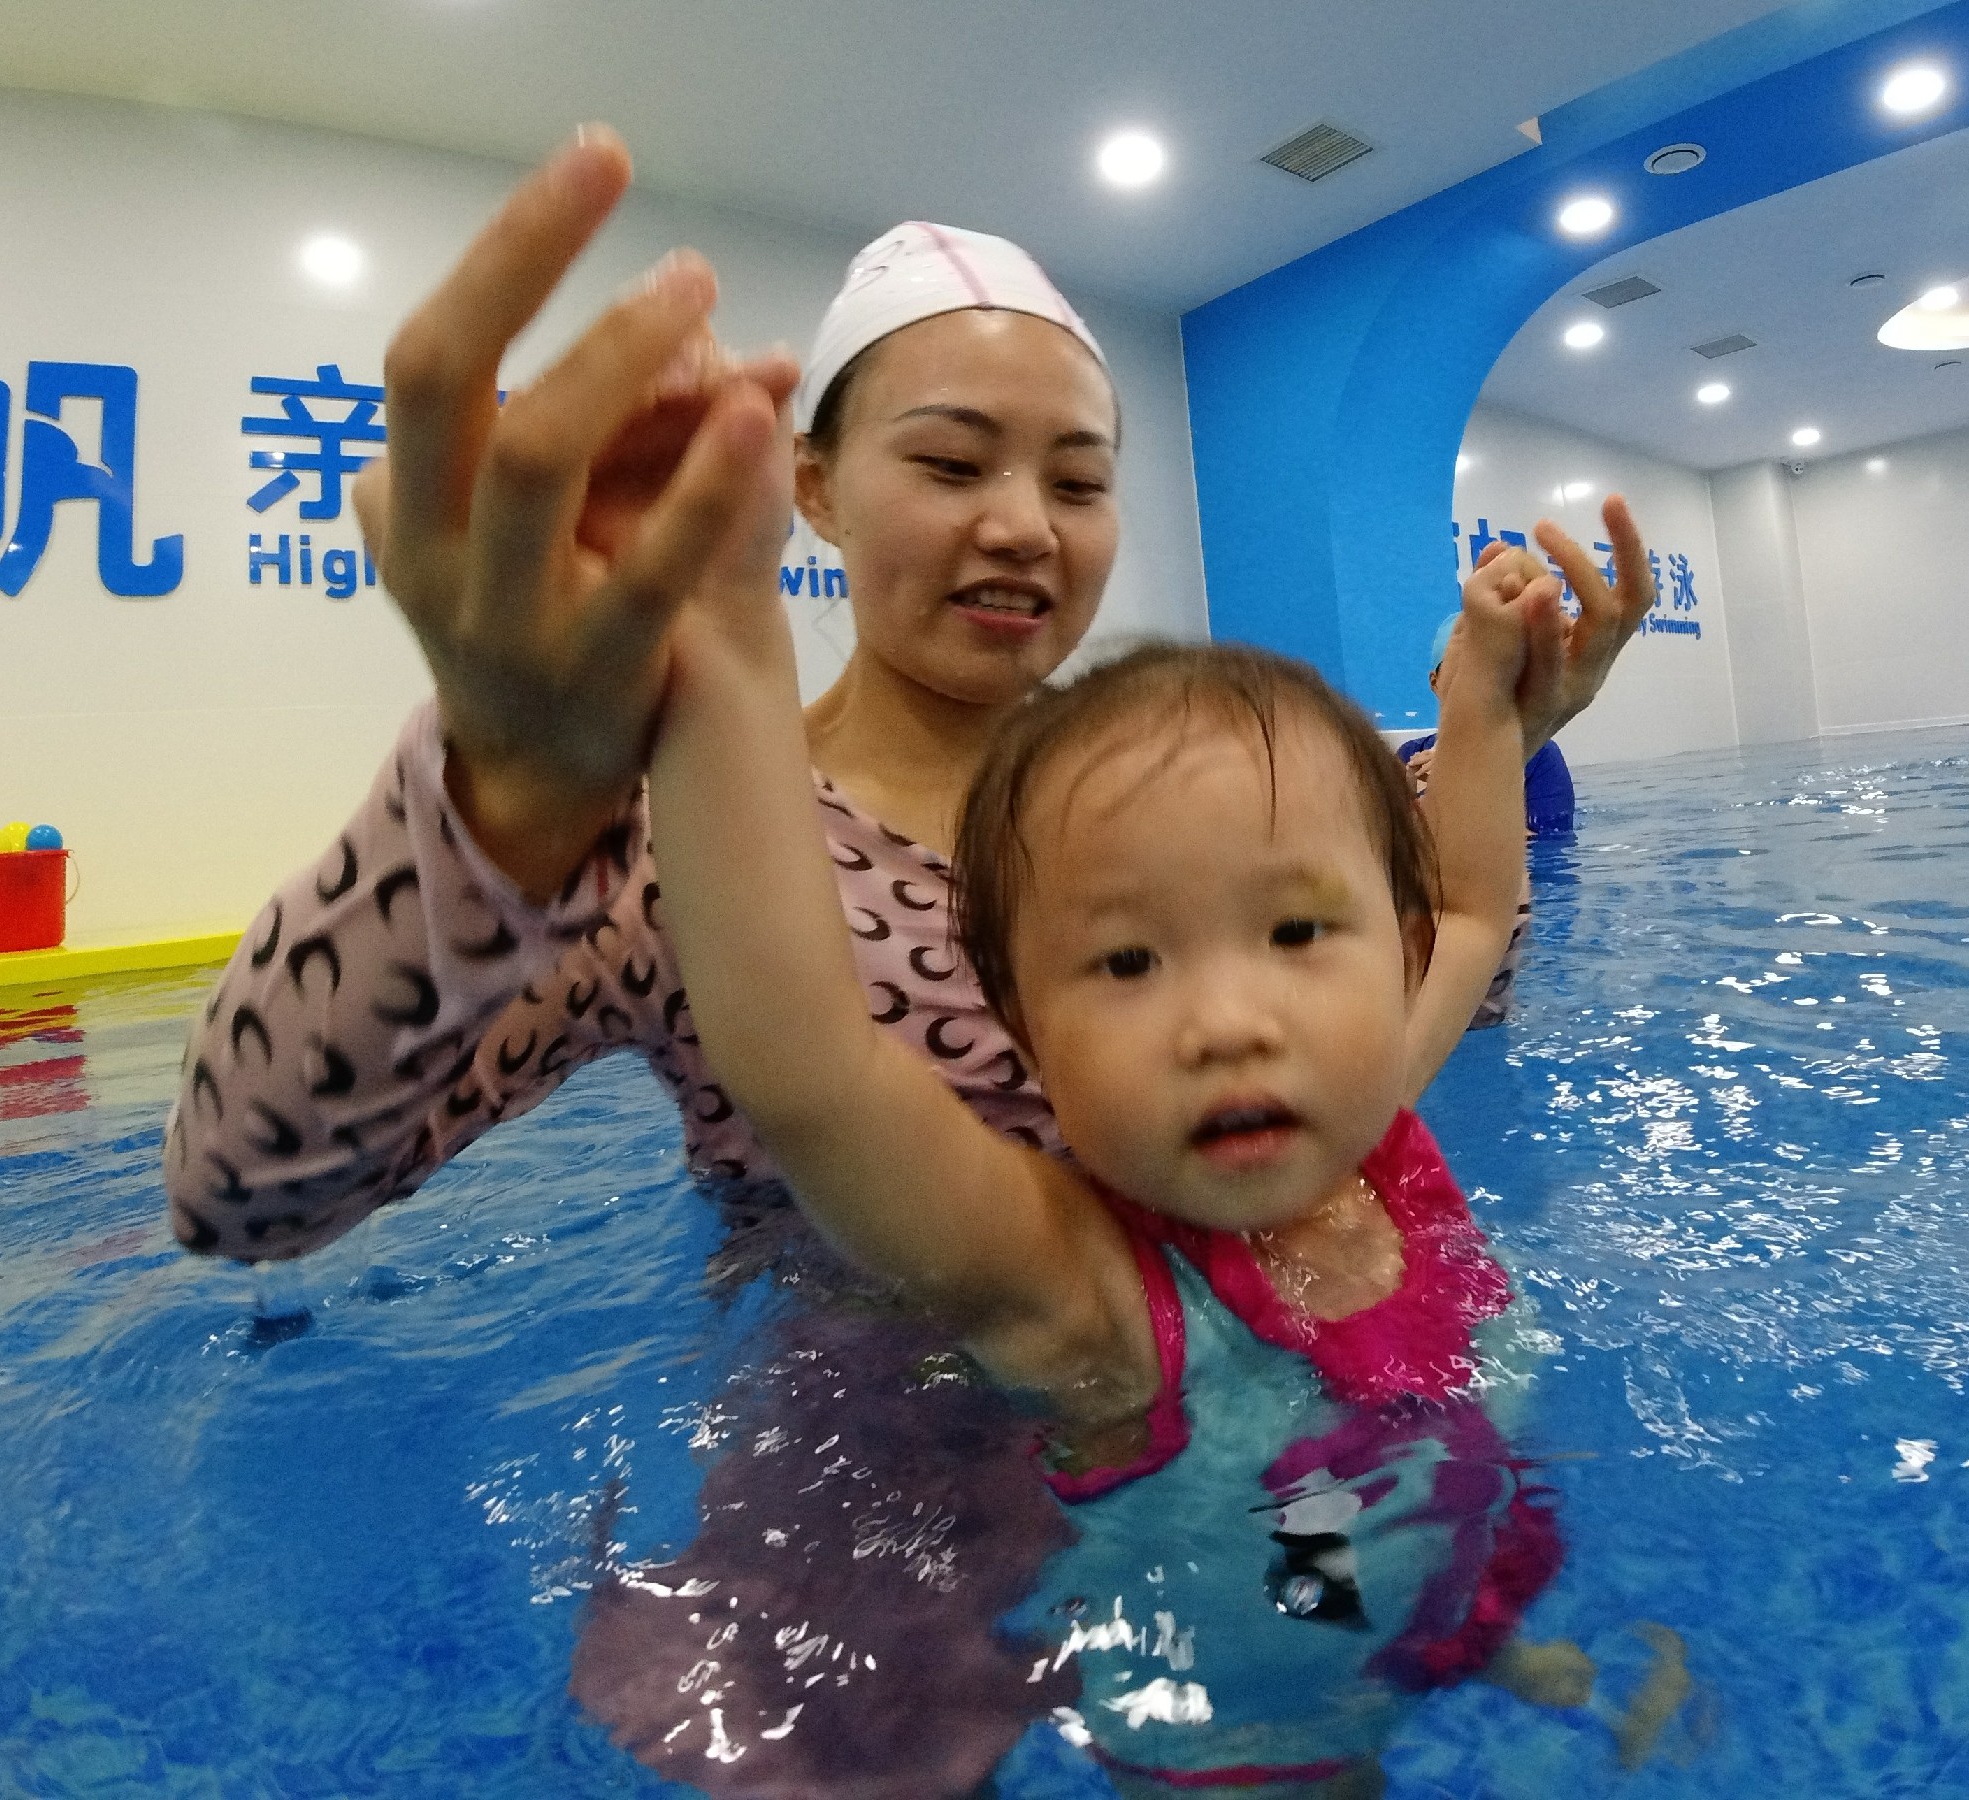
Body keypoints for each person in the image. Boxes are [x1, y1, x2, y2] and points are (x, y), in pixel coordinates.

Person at [160, 126, 1656, 1260]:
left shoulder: (1197, 794)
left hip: (1266, 1410)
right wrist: (512, 793)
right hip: (878, 1475)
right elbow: (248, 1195)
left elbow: (1449, 980)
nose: (1021, 525)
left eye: (1077, 481)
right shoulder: (690, 851)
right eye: (948, 464)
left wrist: (1509, 727)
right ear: (813, 488)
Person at [639, 416, 1577, 1796]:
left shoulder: (1365, 1114)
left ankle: (1472, 1644)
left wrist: (1485, 695)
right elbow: (811, 1078)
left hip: (1432, 1572)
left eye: (1296, 931)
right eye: (1128, 962)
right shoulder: (1083, 1291)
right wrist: (716, 649)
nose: (1229, 1020)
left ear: (1396, 953)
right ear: (1024, 1030)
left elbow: (1473, 904)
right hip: (1256, 1737)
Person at [1398, 612, 1577, 839]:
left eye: (1491, 669)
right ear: (1435, 683)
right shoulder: (1409, 755)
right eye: (1461, 669)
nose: (1475, 683)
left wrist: (1466, 789)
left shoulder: (1539, 755)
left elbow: (1550, 846)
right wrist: (1403, 804)